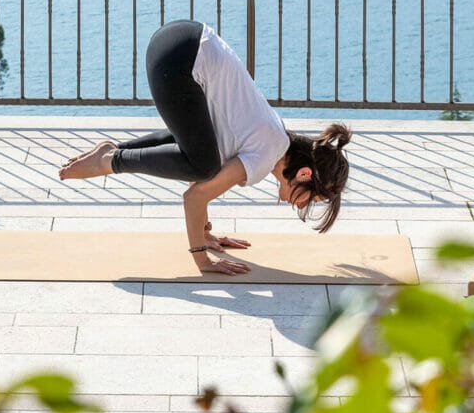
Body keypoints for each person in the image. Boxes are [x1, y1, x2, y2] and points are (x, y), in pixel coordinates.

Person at [59, 19, 351, 276]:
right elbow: (195, 196)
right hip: (180, 62)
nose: (301, 205)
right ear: (303, 174)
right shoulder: (266, 154)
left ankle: (112, 150)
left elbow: (203, 156)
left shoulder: (274, 138)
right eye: (311, 199)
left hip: (181, 42)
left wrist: (205, 232)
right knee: (203, 164)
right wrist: (202, 258)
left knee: (203, 157)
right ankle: (111, 161)